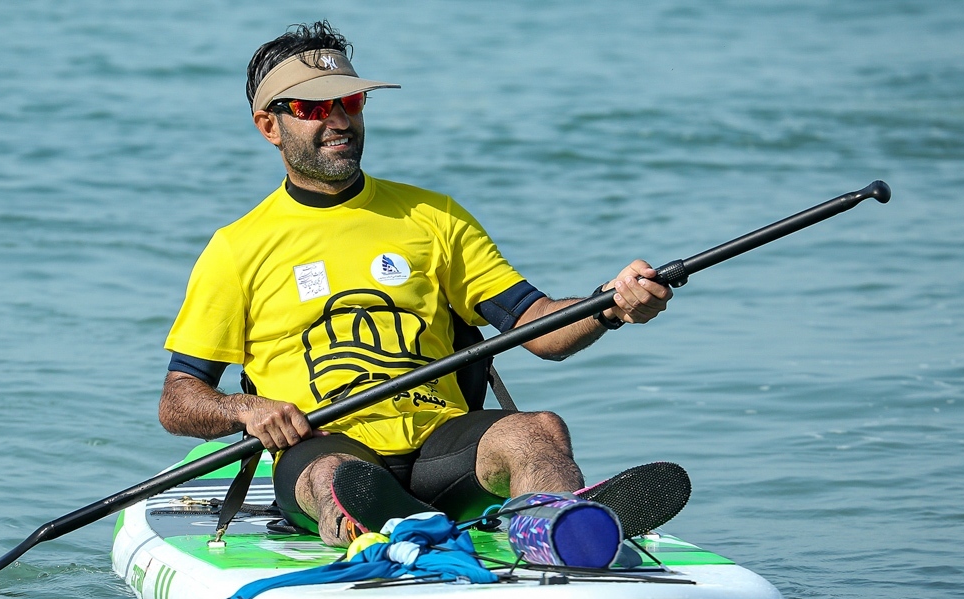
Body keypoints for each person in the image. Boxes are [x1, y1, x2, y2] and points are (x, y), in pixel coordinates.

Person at [159, 21, 671, 546]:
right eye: (314, 108)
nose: (337, 120)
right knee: (337, 476)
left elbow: (537, 328)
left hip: (440, 448)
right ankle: (380, 536)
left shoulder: (433, 217)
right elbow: (178, 400)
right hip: (326, 448)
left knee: (537, 431)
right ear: (270, 126)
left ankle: (558, 530)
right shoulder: (238, 248)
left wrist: (609, 305)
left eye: (351, 102)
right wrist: (246, 409)